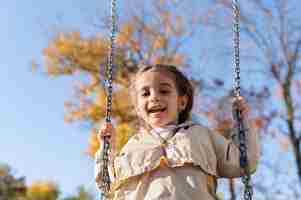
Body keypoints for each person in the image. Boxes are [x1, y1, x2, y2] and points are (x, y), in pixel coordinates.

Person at [95, 64, 260, 200]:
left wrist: (243, 122)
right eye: (145, 93)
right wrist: (106, 147)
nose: (154, 97)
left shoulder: (201, 135)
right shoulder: (132, 146)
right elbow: (107, 183)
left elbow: (243, 162)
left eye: (164, 91)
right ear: (138, 109)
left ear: (182, 102)